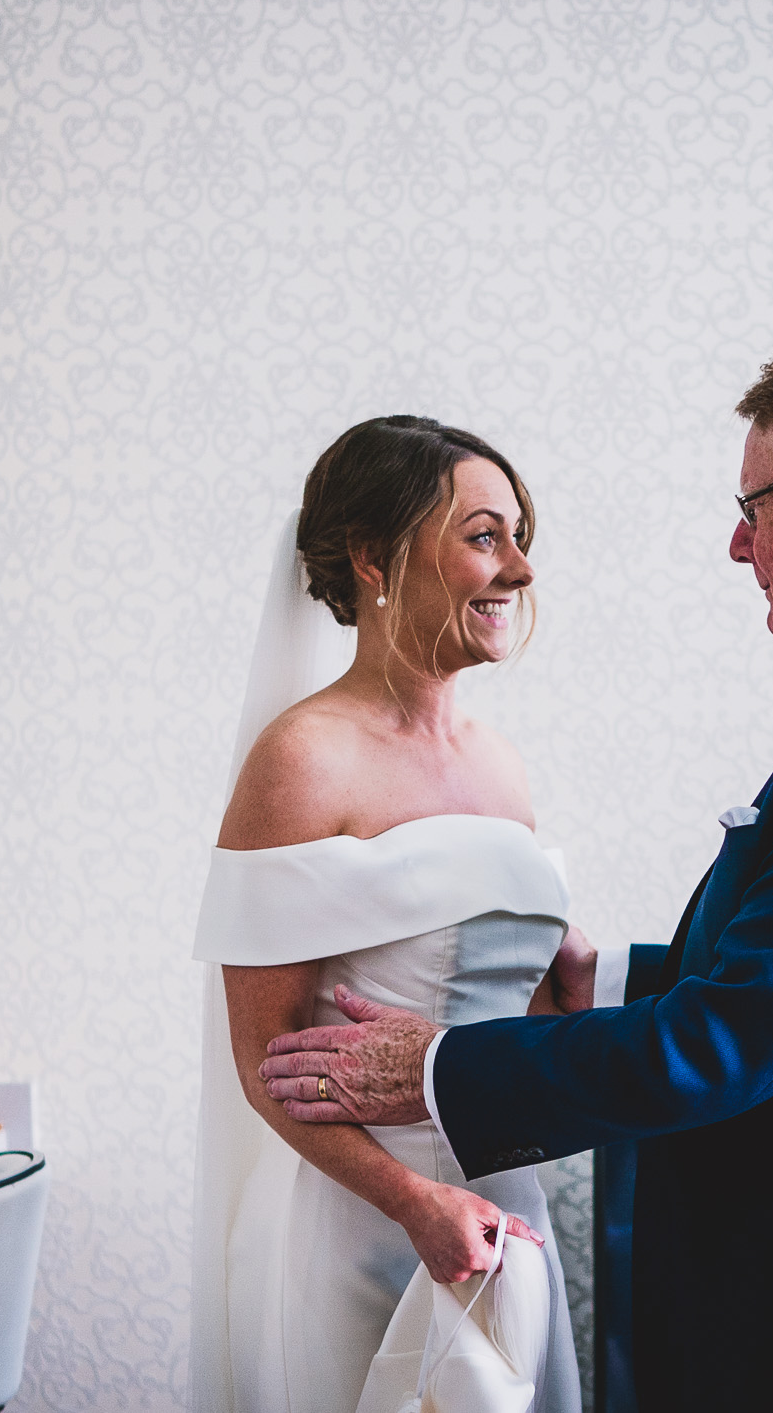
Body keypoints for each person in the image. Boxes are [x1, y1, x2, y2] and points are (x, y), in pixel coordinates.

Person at [258, 319, 773, 1411]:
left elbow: (741, 1034)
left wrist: (431, 1071)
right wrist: (602, 981)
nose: (737, 544)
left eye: (752, 506)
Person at [191, 415, 591, 1413]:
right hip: (363, 1223)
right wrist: (415, 1203)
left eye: (519, 534)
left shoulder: (503, 767)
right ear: (373, 556)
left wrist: (575, 1005)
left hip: (501, 1210)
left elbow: (520, 1025)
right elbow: (263, 1060)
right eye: (485, 534)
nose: (521, 569)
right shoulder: (301, 760)